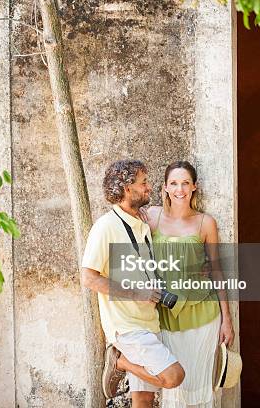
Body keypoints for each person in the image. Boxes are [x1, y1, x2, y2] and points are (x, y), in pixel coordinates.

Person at [81, 159, 185, 408]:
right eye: (144, 182)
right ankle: (119, 361)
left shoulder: (141, 224)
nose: (149, 187)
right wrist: (137, 293)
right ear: (128, 188)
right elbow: (88, 277)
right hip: (127, 326)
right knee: (173, 377)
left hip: (148, 321)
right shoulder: (105, 227)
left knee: (144, 399)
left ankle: (123, 361)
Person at [141, 161, 234, 408]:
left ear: (194, 187)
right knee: (175, 389)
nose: (179, 189)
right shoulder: (152, 216)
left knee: (201, 387)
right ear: (165, 187)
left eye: (185, 183)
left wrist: (227, 320)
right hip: (166, 314)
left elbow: (216, 270)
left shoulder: (206, 223)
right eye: (173, 183)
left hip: (203, 315)